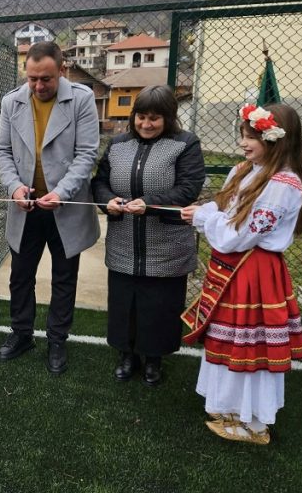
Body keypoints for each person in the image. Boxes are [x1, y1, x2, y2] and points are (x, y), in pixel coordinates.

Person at [180, 103, 302, 445]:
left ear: (277, 139)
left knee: (249, 347)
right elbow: (225, 206)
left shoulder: (285, 183)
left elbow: (241, 234)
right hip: (235, 269)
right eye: (243, 135)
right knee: (232, 341)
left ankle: (253, 423)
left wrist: (204, 220)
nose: (244, 142)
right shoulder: (247, 169)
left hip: (253, 270)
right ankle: (231, 409)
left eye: (252, 136)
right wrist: (201, 210)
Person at [0, 41, 100, 375]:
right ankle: (21, 334)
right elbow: (2, 151)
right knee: (20, 276)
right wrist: (14, 187)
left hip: (64, 207)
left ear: (62, 70)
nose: (39, 86)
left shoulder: (82, 100)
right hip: (25, 207)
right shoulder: (11, 102)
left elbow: (87, 154)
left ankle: (57, 340)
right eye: (33, 79)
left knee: (64, 278)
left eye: (46, 79)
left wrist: (61, 191)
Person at [91, 85, 205, 386]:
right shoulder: (118, 144)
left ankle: (154, 359)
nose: (146, 124)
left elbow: (188, 188)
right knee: (124, 300)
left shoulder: (185, 144)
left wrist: (151, 204)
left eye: (155, 118)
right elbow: (100, 183)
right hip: (124, 242)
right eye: (141, 117)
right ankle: (127, 355)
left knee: (160, 304)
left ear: (169, 117)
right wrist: (108, 202)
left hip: (166, 245)